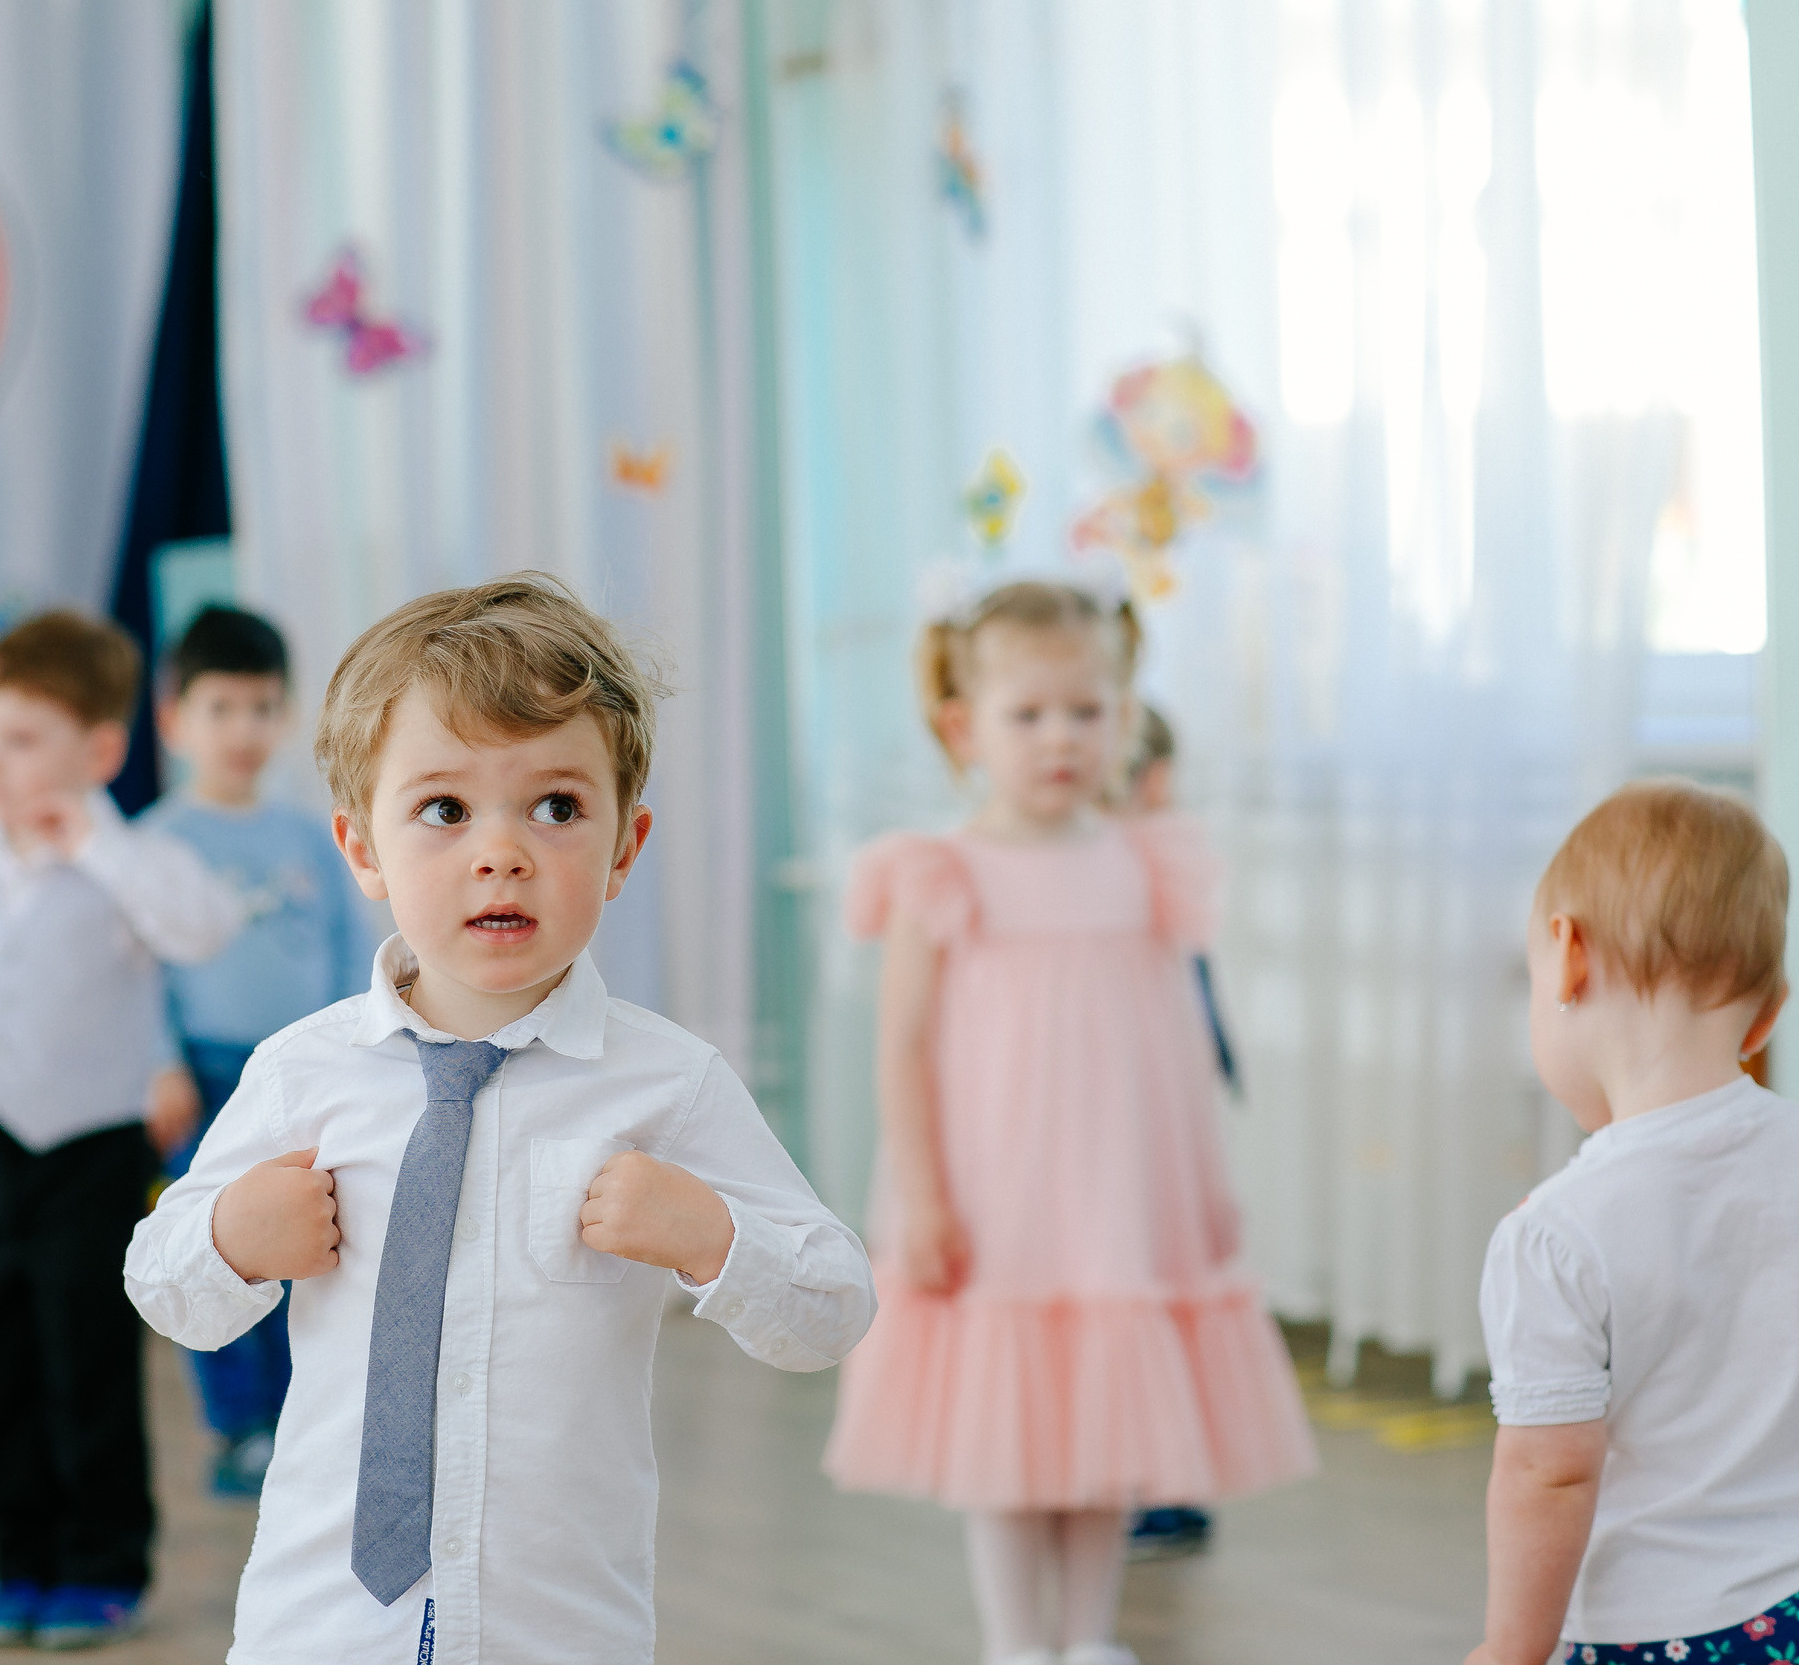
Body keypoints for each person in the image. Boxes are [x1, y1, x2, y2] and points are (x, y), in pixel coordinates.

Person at [127, 573, 875, 1664]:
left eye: (558, 808)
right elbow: (162, 1284)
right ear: (361, 850)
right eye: (443, 808)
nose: (501, 851)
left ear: (625, 847)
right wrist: (233, 1243)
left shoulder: (668, 1086)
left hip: (558, 1627)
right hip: (322, 1627)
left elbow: (832, 1306)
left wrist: (719, 1240)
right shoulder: (302, 1075)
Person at [822, 580, 1313, 1665]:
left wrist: (1208, 1186)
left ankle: (1087, 1640)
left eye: (1085, 713)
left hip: (1114, 1196)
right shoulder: (942, 875)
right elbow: (901, 1049)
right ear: (966, 728)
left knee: (1103, 1434)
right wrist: (926, 1198)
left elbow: (1176, 1047)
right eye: (1029, 715)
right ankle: (1015, 1644)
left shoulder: (1142, 866)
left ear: (1123, 716)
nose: (1061, 739)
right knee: (1005, 1445)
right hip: (997, 1193)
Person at [0, 610, 242, 1650]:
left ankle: (103, 1564)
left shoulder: (125, 867)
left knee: (89, 1362)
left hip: (89, 1148)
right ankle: (20, 1559)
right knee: (4, 1360)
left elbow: (201, 926)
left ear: (99, 751)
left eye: (21, 739)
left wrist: (102, 841)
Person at [1468, 779, 1799, 1665]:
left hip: (1659, 1627)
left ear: (1567, 957)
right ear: (1769, 1009)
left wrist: (1510, 1648)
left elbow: (1549, 1469)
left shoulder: (1556, 1235)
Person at [138, 605, 373, 1501]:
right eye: (221, 707)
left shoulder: (307, 838)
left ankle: (306, 1414)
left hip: (308, 1074)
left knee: (312, 1239)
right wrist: (158, 1064)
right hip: (203, 1075)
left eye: (261, 707)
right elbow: (140, 975)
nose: (243, 729)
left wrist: (356, 1044)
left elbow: (355, 947)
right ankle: (241, 1424)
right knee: (225, 1242)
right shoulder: (159, 843)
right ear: (175, 718)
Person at [1118, 701, 1230, 1565]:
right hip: (1137, 1134)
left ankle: (1165, 1485)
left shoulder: (1144, 871)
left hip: (1146, 1135)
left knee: (1147, 1307)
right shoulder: (1142, 870)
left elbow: (1188, 999)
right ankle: (1150, 1480)